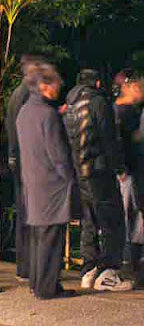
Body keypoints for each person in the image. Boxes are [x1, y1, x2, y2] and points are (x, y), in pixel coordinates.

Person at [63, 69, 132, 291]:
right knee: (112, 220)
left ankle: (88, 270)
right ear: (98, 82)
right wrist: (119, 167)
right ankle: (108, 273)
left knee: (89, 221)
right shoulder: (98, 102)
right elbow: (108, 139)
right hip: (100, 172)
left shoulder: (70, 105)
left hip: (79, 172)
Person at [16, 63, 76, 300]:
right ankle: (47, 288)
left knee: (39, 237)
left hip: (32, 180)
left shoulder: (25, 112)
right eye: (55, 85)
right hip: (51, 184)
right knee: (52, 237)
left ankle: (37, 282)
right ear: (43, 86)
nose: (58, 89)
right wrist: (70, 176)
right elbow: (58, 155)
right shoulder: (48, 115)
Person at [5, 56, 42, 281]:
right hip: (26, 162)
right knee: (31, 215)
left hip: (17, 160)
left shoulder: (17, 94)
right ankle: (30, 267)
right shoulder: (28, 96)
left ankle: (24, 266)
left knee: (24, 214)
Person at [114, 70, 144, 284]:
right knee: (129, 217)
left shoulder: (130, 112)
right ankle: (128, 263)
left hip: (132, 171)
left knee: (134, 218)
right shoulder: (122, 112)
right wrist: (121, 169)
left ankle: (132, 262)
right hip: (128, 173)